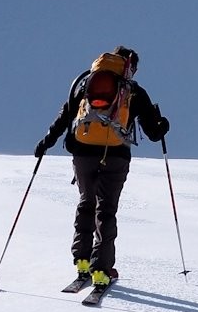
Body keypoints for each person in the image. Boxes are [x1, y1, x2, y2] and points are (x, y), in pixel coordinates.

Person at [36, 45, 169, 288]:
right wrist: (163, 125)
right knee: (105, 210)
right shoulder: (133, 90)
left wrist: (46, 142)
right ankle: (101, 270)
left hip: (83, 152)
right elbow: (153, 132)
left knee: (86, 203)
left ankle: (83, 263)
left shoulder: (85, 82)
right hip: (116, 155)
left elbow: (66, 115)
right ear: (131, 66)